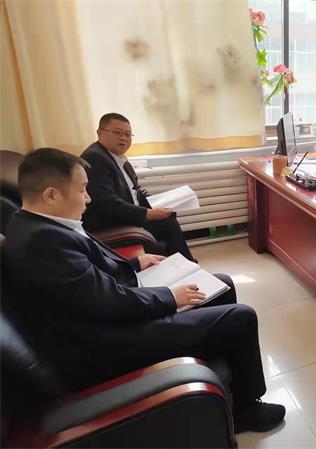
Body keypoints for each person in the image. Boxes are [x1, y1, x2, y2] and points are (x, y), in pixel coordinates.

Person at [4, 148, 285, 433]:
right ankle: (245, 412)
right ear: (51, 195)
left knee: (221, 285)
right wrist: (170, 297)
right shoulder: (43, 244)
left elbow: (88, 275)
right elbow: (108, 302)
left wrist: (135, 263)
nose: (88, 198)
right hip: (108, 342)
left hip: (105, 317)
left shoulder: (34, 223)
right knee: (241, 317)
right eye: (82, 190)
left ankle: (227, 382)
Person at [81, 113, 195, 261]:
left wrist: (159, 202)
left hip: (125, 215)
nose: (123, 138)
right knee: (167, 223)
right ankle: (187, 264)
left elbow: (135, 191)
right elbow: (107, 204)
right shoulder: (95, 158)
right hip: (110, 223)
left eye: (128, 134)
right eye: (117, 132)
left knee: (168, 217)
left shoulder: (119, 159)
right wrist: (149, 213)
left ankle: (183, 264)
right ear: (99, 133)